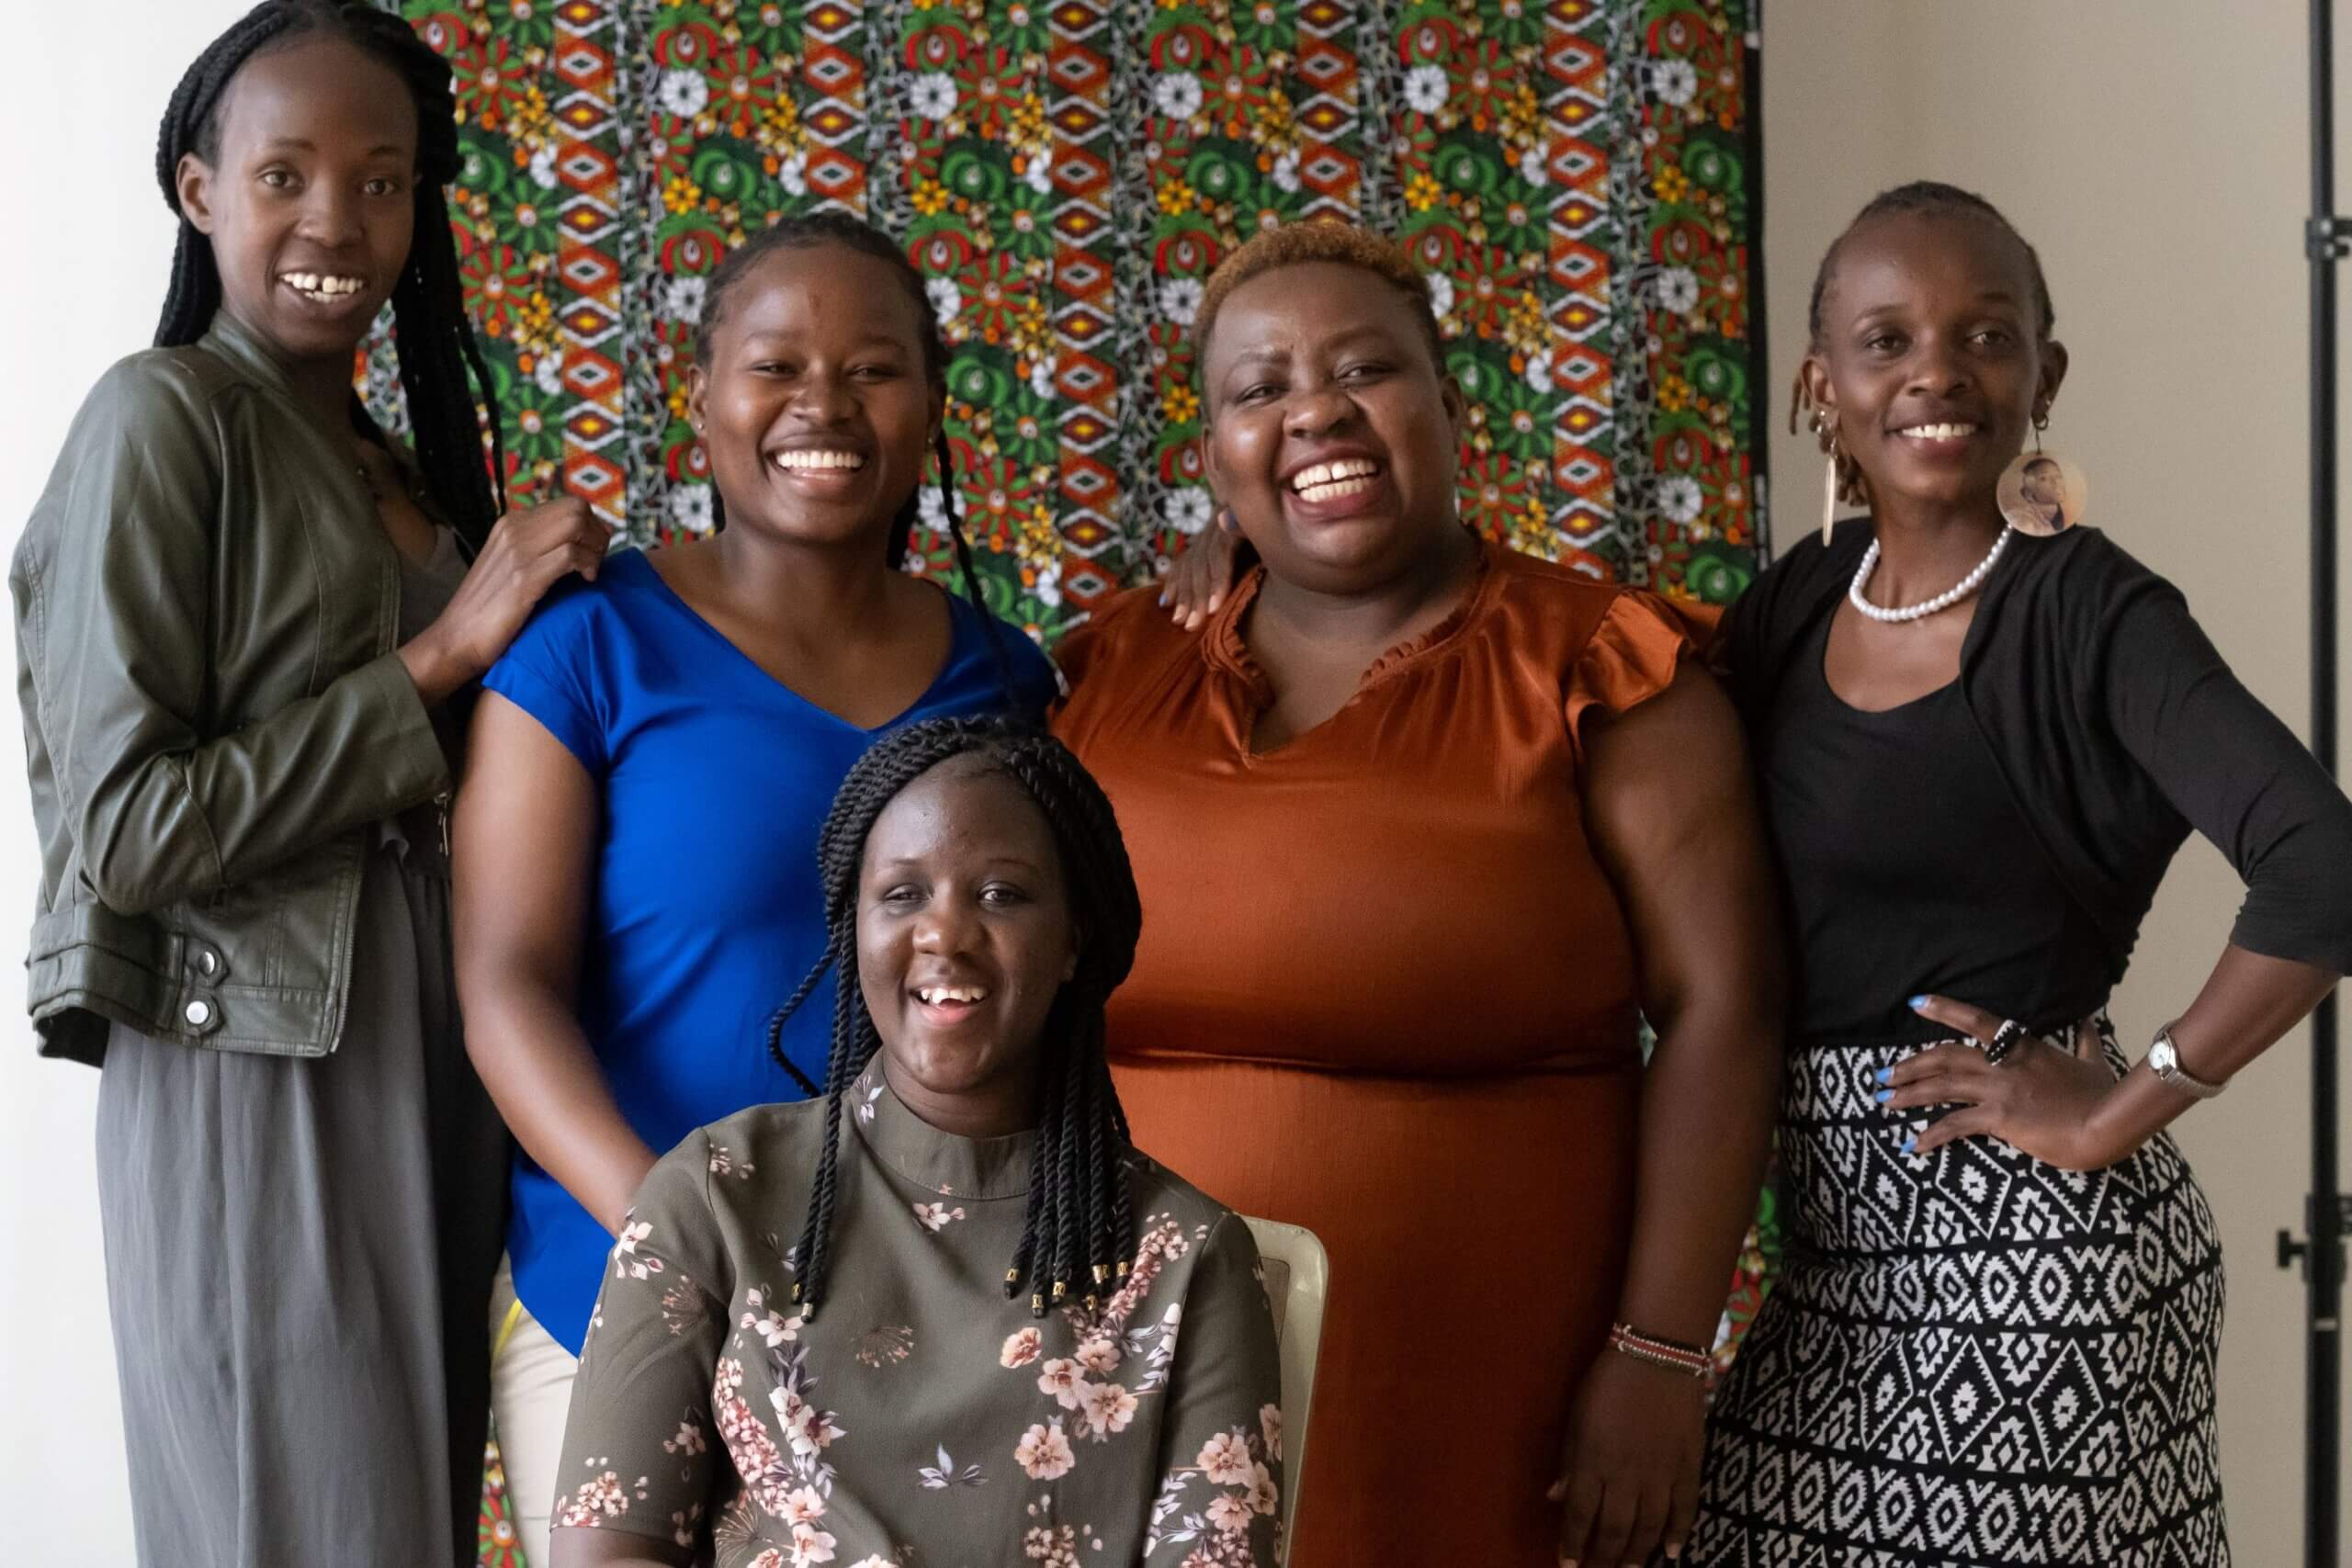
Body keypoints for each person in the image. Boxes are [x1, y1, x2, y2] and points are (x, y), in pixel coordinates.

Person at [1051, 220, 1785, 1568]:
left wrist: (1663, 1350)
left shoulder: (1603, 669)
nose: (1316, 407)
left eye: (1364, 369)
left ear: (1449, 408)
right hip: (1121, 1399)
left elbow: (1725, 1007)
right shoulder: (1107, 671)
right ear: (1216, 458)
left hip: (1486, 1401)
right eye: (1260, 388)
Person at [11, 4, 610, 1563]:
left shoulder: (398, 472)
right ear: (199, 189)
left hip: (437, 1050)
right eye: (284, 175)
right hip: (259, 1074)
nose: (337, 221)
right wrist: (444, 653)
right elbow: (127, 828)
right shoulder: (162, 421)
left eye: (382, 180)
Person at [1686, 182, 2352, 1564]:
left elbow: (2322, 858)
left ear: (2043, 374)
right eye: (1887, 340)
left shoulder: (2095, 611)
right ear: (1823, 386)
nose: (1936, 369)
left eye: (1985, 335)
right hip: (1834, 1271)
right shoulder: (1800, 598)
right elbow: (1607, 706)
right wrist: (1254, 563)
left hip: (2033, 1264)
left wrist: (2126, 1103)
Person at [452, 214, 1057, 1565]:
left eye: (875, 368)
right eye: (776, 365)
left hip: (926, 1315)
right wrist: (686, 1237)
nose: (823, 406)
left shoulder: (1007, 680)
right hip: (620, 1287)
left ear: (933, 399)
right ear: (705, 394)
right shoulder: (591, 640)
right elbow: (504, 985)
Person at [543, 716, 1283, 1568]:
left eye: (1002, 893)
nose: (944, 933)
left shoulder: (1188, 1260)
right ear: (851, 925)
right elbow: (607, 1553)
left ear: (1075, 937)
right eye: (902, 894)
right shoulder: (715, 1192)